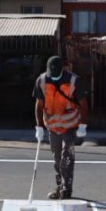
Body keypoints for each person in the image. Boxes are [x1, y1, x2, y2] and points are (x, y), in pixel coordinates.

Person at [33, 55, 87, 200]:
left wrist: (82, 125)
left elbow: (83, 103)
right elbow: (39, 104)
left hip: (70, 126)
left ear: (63, 69)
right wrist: (39, 127)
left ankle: (66, 190)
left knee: (66, 158)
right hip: (52, 127)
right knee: (57, 160)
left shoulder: (73, 81)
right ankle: (59, 187)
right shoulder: (42, 81)